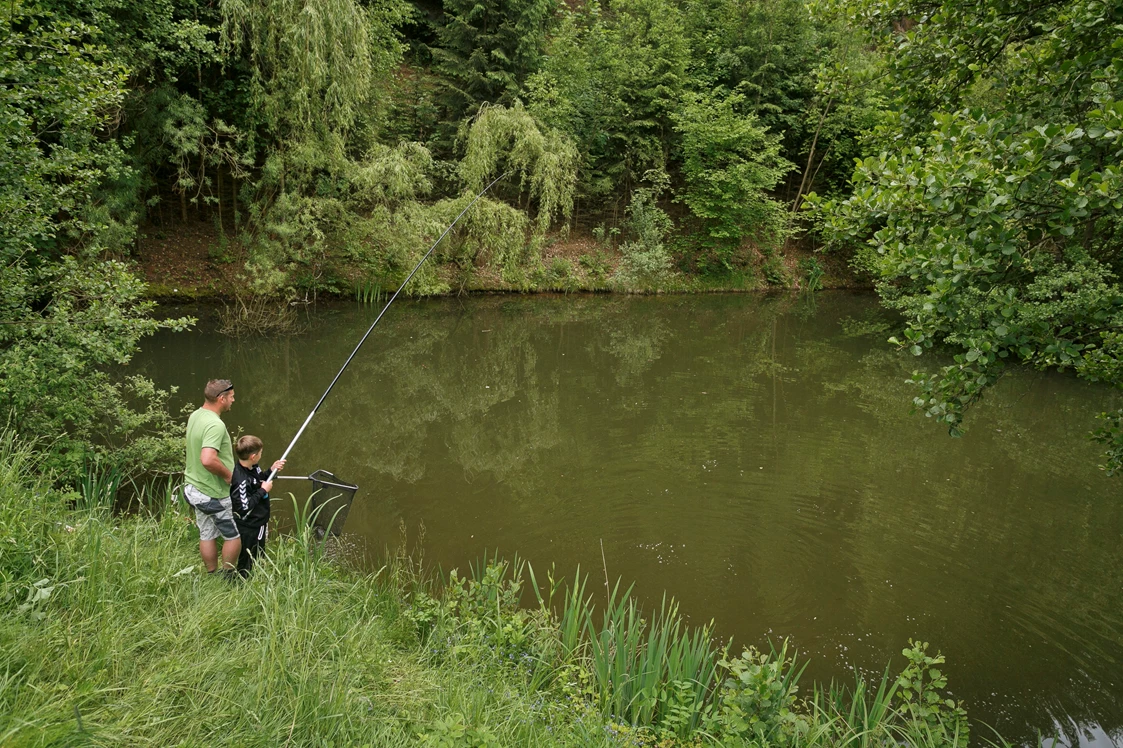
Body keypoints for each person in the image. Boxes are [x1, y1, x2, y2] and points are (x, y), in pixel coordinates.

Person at [183, 379, 241, 577]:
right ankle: (227, 578)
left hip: (194, 489)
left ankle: (211, 575)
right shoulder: (215, 425)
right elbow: (207, 459)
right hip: (213, 493)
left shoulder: (196, 415)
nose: (234, 400)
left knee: (207, 532)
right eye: (231, 397)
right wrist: (229, 477)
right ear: (221, 398)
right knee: (234, 536)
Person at [230, 435, 285, 577]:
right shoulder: (241, 479)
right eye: (260, 453)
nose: (261, 455)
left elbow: (258, 480)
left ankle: (255, 574)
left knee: (256, 551)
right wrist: (263, 491)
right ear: (253, 456)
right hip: (251, 524)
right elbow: (243, 507)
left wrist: (271, 471)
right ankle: (244, 579)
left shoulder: (253, 467)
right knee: (251, 553)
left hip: (257, 521)